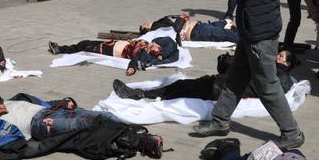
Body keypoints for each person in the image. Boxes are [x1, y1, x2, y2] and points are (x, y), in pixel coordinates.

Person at [191, 0, 304, 149]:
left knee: (267, 85)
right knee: (236, 78)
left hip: (260, 35)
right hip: (251, 30)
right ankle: (220, 121)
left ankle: (291, 133)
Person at [0, 91, 163, 160]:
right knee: (89, 123)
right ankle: (145, 143)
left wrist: (59, 103)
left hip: (50, 112)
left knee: (102, 115)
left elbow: (30, 100)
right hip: (42, 124)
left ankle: (137, 135)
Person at [113, 50, 296, 101]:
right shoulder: (271, 70)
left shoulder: (281, 77)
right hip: (219, 83)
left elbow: (272, 89)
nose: (276, 56)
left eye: (280, 56)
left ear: (286, 64)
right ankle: (144, 93)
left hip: (220, 89)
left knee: (180, 88)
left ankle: (140, 95)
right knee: (182, 85)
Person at [47, 36, 179, 76]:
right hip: (114, 43)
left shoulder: (142, 52)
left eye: (155, 46)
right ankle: (61, 48)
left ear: (153, 52)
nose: (154, 43)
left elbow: (135, 60)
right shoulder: (149, 45)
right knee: (86, 43)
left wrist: (131, 69)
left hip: (110, 50)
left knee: (85, 44)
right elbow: (169, 41)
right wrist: (162, 53)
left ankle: (59, 49)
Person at [139, 13, 239, 44]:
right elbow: (176, 30)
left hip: (199, 27)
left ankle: (234, 28)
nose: (147, 22)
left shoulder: (159, 25)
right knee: (226, 34)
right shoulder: (157, 29)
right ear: (148, 30)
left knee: (225, 25)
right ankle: (249, 40)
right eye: (145, 25)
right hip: (197, 31)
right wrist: (181, 18)